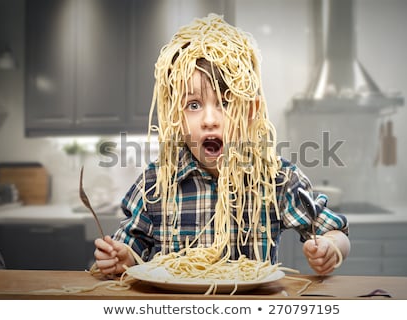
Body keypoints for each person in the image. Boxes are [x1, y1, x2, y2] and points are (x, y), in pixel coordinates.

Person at [94, 14, 350, 277]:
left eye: (226, 103)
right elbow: (129, 249)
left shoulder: (277, 180)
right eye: (193, 105)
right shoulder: (155, 184)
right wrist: (121, 258)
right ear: (175, 117)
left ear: (251, 110)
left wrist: (330, 247)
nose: (209, 120)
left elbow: (333, 231)